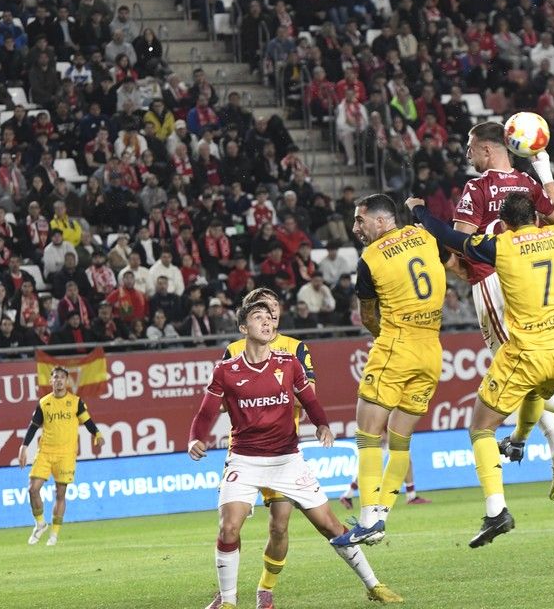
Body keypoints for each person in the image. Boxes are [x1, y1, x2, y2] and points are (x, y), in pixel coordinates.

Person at [188, 300, 402, 608]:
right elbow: (206, 412)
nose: (266, 323)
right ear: (243, 328)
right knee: (229, 526)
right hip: (245, 460)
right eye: (258, 318)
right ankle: (229, 601)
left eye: (269, 319)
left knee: (329, 524)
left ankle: (373, 584)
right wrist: (195, 437)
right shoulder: (225, 370)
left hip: (288, 460)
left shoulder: (288, 363)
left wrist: (323, 426)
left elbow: (310, 401)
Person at [410, 193, 554, 547]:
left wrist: (418, 211)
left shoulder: (499, 246)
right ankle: (552, 450)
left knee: (480, 427)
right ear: (536, 218)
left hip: (522, 345)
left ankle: (497, 511)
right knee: (536, 391)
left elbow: (450, 237)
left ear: (506, 222)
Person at [454, 121, 554, 500]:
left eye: (471, 148)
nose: (467, 155)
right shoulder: (527, 183)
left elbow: (461, 240)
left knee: (518, 369)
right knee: (527, 372)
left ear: (487, 150)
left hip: (493, 279)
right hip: (530, 284)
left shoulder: (478, 187)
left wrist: (457, 266)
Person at [330, 194, 445, 546]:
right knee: (400, 438)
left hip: (396, 347)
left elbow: (367, 316)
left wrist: (391, 337)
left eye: (360, 220)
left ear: (381, 221)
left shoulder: (371, 258)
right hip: (432, 350)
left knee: (366, 434)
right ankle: (381, 515)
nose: (355, 228)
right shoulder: (425, 237)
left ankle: (367, 519)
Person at [220, 288, 314, 609]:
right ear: (249, 316)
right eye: (262, 310)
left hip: (282, 454)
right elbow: (223, 398)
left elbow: (307, 394)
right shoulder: (233, 350)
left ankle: (266, 588)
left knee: (279, 525)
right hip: (244, 452)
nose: (270, 316)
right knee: (231, 524)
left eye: (273, 309)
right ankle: (226, 590)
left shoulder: (296, 349)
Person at [18, 366, 104, 546]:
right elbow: (33, 426)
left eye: (62, 378)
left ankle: (54, 534)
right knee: (33, 489)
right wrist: (24, 447)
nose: (58, 380)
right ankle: (40, 523)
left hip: (66, 455)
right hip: (46, 452)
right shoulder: (44, 403)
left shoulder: (75, 402)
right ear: (51, 381)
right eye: (55, 377)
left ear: (67, 381)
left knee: (60, 493)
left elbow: (87, 421)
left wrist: (97, 434)